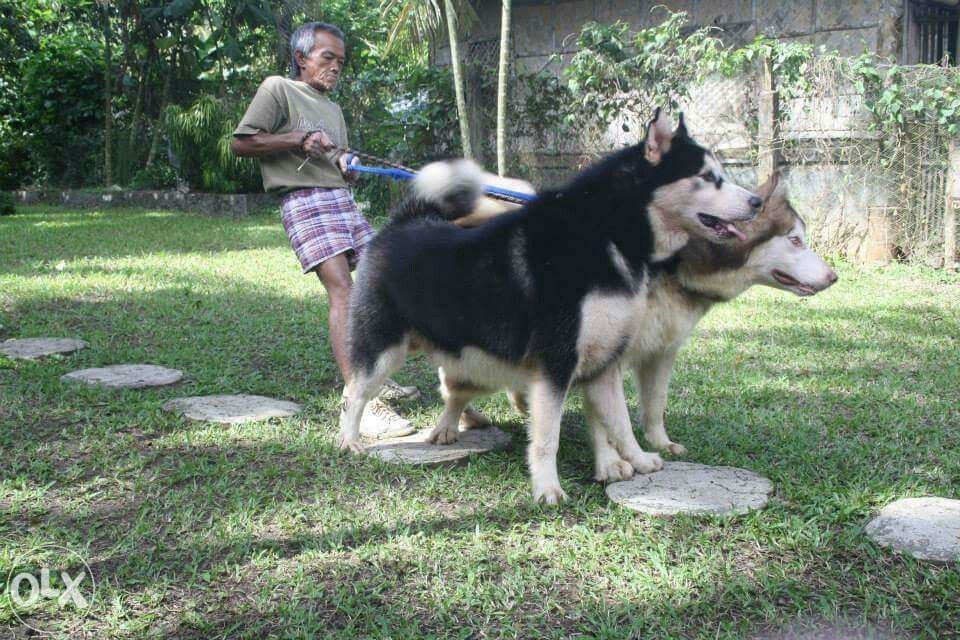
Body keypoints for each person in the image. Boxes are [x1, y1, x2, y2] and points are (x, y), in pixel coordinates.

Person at [231, 21, 417, 438]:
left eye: (341, 62)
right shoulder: (278, 88)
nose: (335, 67)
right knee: (343, 290)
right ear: (302, 58)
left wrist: (346, 167)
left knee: (383, 284)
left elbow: (338, 159)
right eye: (326, 58)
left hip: (341, 200)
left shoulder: (333, 108)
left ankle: (374, 370)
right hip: (304, 200)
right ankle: (360, 399)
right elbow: (242, 143)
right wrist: (298, 139)